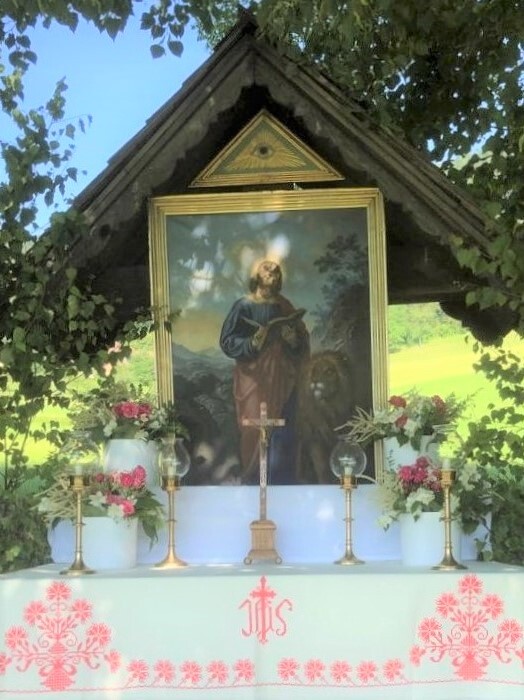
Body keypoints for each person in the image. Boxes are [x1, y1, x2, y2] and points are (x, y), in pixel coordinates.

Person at [220, 260, 310, 484]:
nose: (273, 275)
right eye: (267, 271)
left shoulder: (284, 306)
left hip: (282, 377)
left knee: (283, 426)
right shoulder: (243, 306)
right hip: (253, 377)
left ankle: (279, 480)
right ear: (256, 277)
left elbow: (301, 343)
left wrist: (293, 340)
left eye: (276, 272)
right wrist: (252, 342)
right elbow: (227, 341)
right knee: (253, 428)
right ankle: (252, 478)